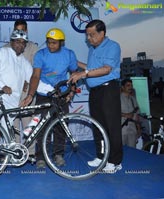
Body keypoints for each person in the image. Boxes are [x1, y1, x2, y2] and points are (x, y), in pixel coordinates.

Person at [69, 19, 123, 173]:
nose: (88, 38)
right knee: (98, 126)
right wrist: (77, 63)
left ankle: (115, 161)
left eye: (92, 35)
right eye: (87, 35)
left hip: (108, 91)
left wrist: (83, 74)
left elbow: (106, 69)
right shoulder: (92, 49)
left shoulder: (113, 46)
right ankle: (101, 156)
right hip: (95, 92)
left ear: (102, 33)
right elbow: (92, 68)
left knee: (111, 127)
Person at [21, 28, 78, 169]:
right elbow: (35, 76)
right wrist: (30, 95)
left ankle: (58, 155)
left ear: (61, 43)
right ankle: (41, 157)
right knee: (41, 126)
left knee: (61, 125)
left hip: (62, 94)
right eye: (48, 42)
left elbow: (74, 73)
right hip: (44, 95)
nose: (50, 45)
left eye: (54, 43)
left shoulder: (69, 54)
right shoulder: (41, 54)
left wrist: (71, 91)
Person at [9, 19, 39, 158]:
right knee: (13, 124)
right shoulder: (6, 48)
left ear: (27, 31)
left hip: (27, 91)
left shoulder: (33, 47)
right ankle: (15, 152)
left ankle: (31, 152)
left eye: (22, 30)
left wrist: (27, 89)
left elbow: (35, 71)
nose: (20, 33)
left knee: (29, 123)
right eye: (17, 30)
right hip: (11, 93)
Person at [121, 78, 141, 147]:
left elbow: (137, 115)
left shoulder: (133, 99)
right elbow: (113, 113)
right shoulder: (117, 98)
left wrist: (138, 129)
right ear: (123, 87)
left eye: (131, 85)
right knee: (122, 152)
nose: (130, 87)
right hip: (122, 130)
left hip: (132, 130)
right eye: (128, 85)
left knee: (133, 152)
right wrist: (125, 115)